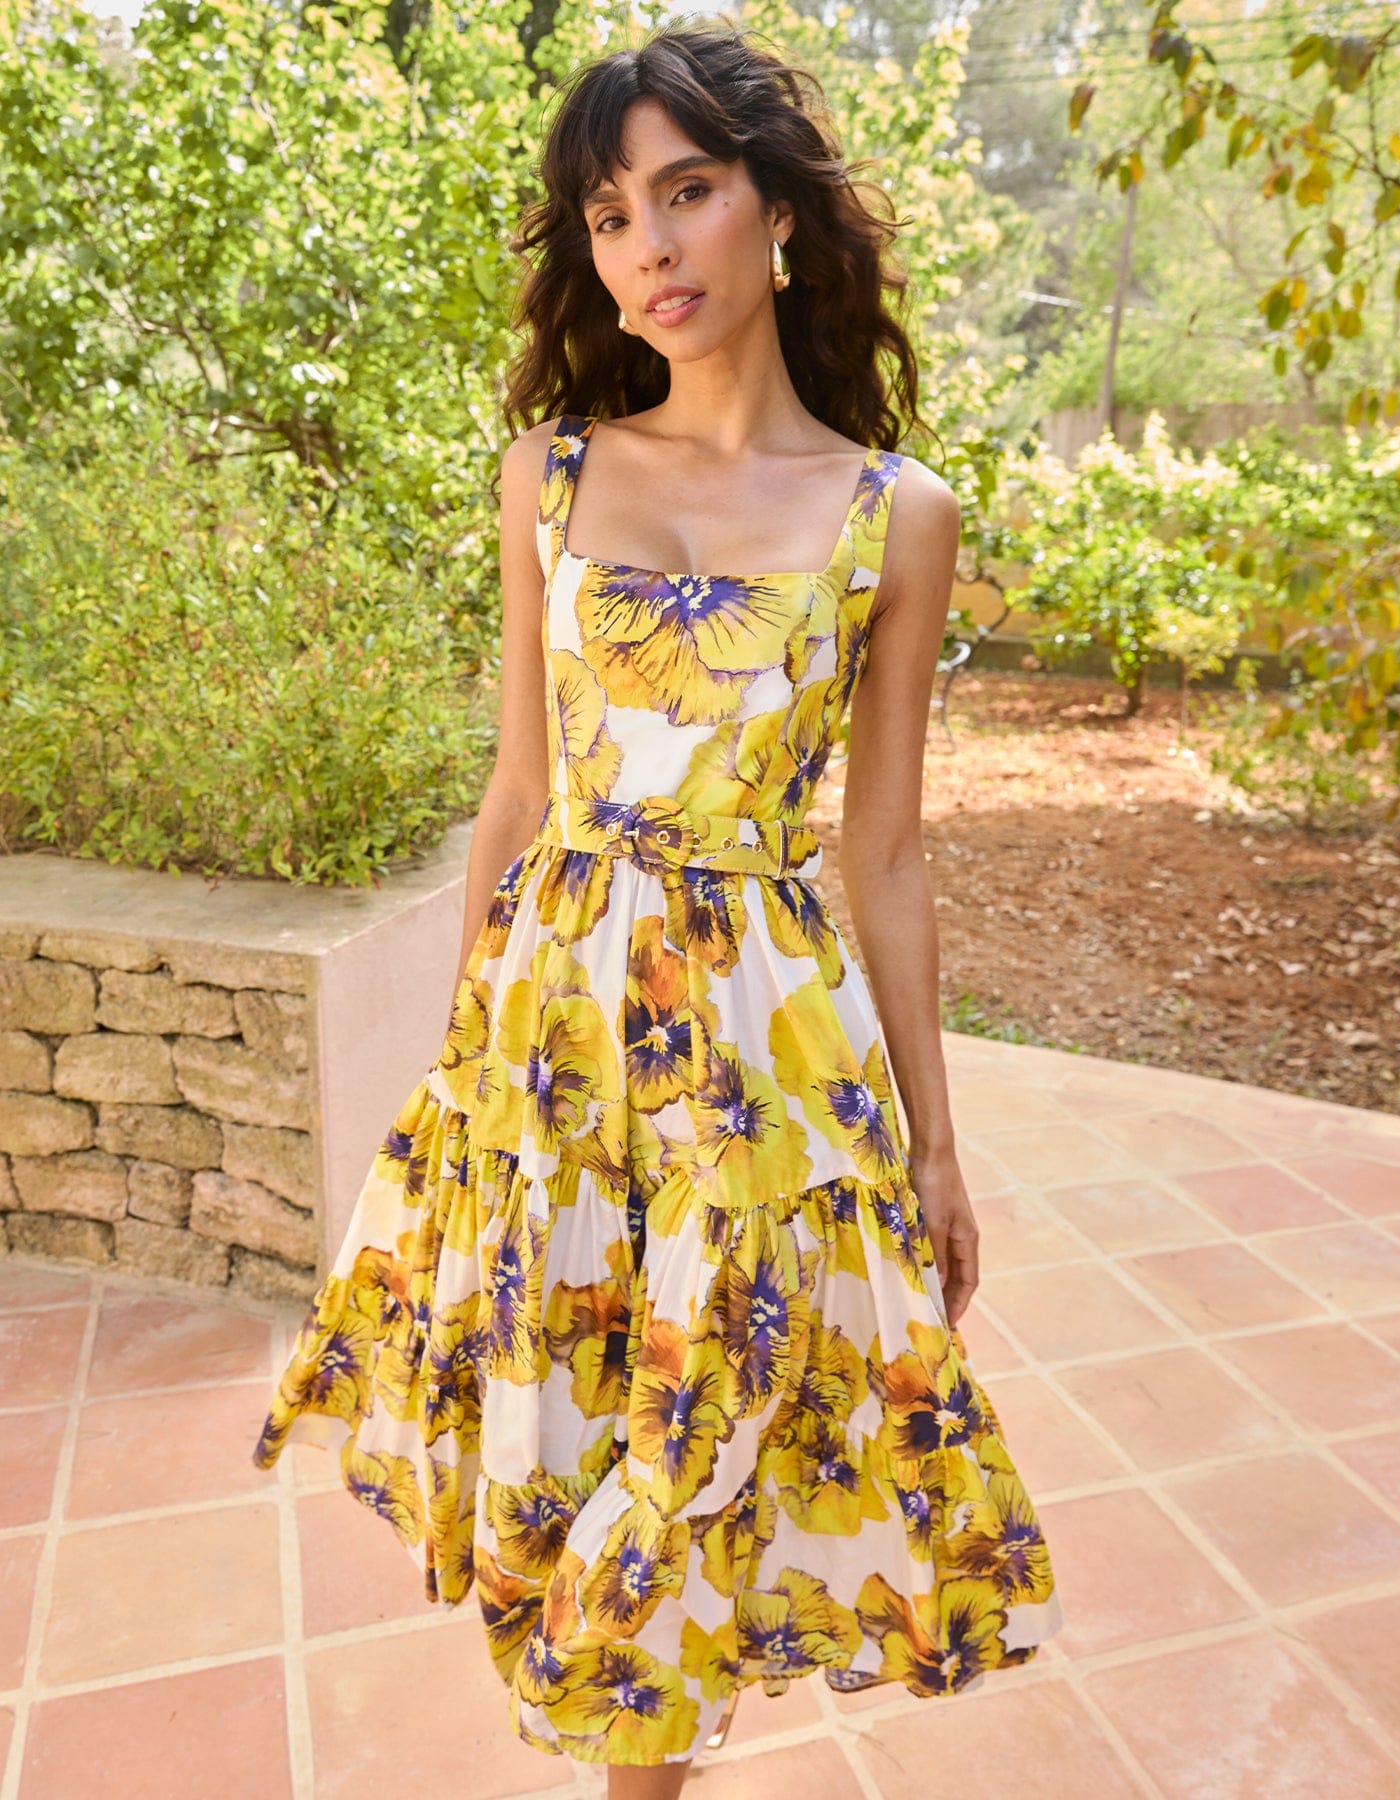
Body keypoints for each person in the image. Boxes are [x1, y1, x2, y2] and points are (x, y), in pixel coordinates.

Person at [253, 18, 1063, 1797]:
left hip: (763, 1066)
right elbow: (521, 793)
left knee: (705, 1446)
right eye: (613, 215)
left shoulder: (891, 515)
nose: (648, 250)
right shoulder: (545, 478)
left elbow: (890, 852)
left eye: (686, 192)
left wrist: (934, 1144)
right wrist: (465, 1057)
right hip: (549, 1053)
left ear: (778, 210)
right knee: (567, 1440)